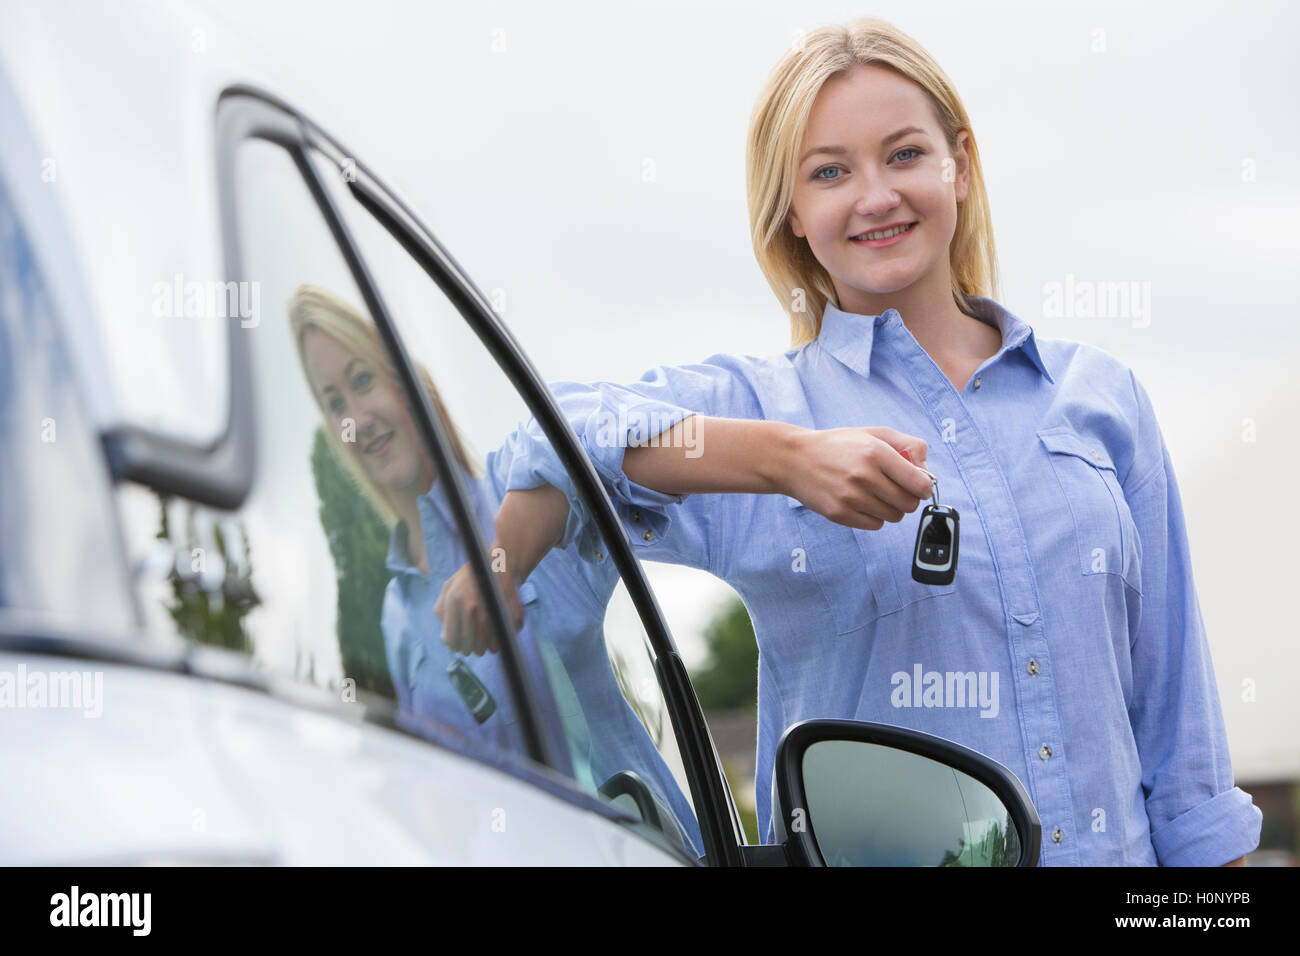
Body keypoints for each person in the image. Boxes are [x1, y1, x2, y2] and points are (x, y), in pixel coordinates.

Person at [478, 18, 1261, 864]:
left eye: (904, 154)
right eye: (829, 172)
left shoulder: (1100, 396)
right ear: (794, 216)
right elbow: (544, 434)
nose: (876, 194)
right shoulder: (767, 405)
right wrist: (788, 462)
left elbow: (1184, 746)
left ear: (959, 165)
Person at [287, 284, 704, 857]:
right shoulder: (398, 612)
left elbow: (594, 442)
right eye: (334, 402)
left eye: (362, 380)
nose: (357, 418)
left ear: (406, 380)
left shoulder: (522, 499)